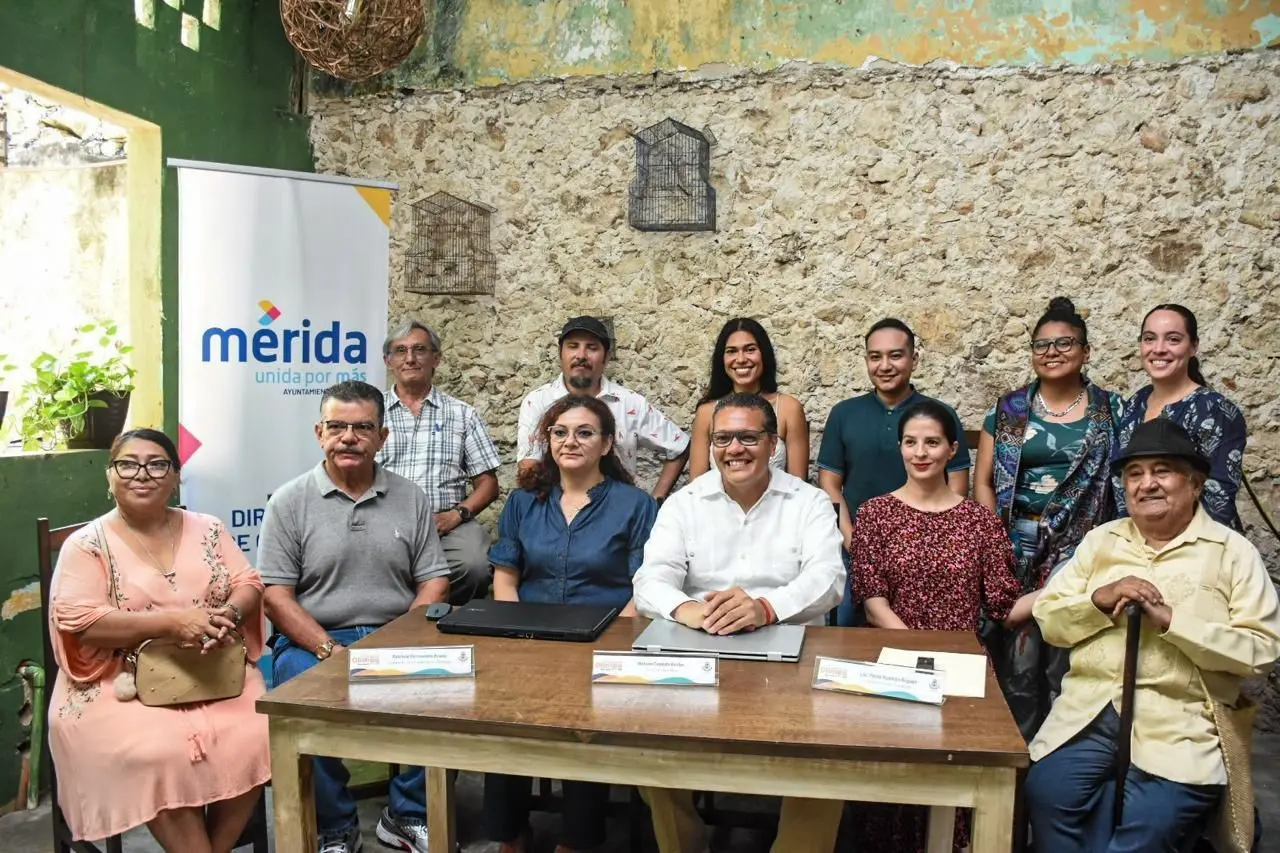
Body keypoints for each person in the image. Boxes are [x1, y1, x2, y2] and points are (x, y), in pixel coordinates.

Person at [1024, 418, 1280, 851]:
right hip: (1091, 710)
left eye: (1162, 470)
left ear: (1195, 483)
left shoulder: (1232, 552)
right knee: (1048, 794)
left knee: (1152, 825)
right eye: (1134, 475)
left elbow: (1262, 651)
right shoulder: (1099, 542)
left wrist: (1173, 622)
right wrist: (1099, 600)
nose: (1147, 484)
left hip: (1181, 719)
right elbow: (1050, 619)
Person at [633, 392, 845, 853]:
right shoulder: (684, 504)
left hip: (791, 656)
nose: (735, 449)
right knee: (646, 751)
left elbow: (829, 579)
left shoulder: (808, 502)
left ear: (773, 444)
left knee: (829, 762)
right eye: (723, 438)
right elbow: (649, 579)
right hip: (697, 648)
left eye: (748, 437)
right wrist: (690, 611)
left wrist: (765, 608)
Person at [47, 428, 268, 852]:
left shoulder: (208, 528)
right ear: (109, 476)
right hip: (115, 683)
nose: (141, 474)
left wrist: (230, 613)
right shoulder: (87, 545)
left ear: (175, 476)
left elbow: (248, 581)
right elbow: (81, 622)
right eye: (127, 464)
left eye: (157, 464)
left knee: (260, 732)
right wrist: (172, 623)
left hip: (210, 672)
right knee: (157, 751)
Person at [260, 380, 450, 853]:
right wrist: (328, 649)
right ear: (318, 432)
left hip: (395, 633)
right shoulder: (289, 501)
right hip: (316, 639)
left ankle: (407, 816)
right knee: (302, 695)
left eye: (362, 427)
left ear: (382, 437)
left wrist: (401, 640)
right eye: (337, 426)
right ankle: (335, 827)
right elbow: (276, 597)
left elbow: (433, 581)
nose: (349, 437)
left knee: (445, 691)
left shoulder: (411, 496)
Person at [848, 401, 1034, 852]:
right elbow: (873, 602)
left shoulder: (979, 521)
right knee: (890, 789)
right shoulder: (875, 514)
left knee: (953, 787)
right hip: (894, 668)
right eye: (911, 442)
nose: (920, 452)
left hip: (962, 676)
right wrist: (918, 659)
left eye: (932, 442)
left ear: (952, 449)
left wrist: (1068, 588)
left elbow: (1004, 605)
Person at [484, 395, 657, 853]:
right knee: (501, 712)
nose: (570, 441)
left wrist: (608, 643)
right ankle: (510, 833)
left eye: (584, 433)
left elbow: (645, 587)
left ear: (606, 444)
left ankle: (578, 840)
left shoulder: (635, 505)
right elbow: (506, 577)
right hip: (528, 640)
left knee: (589, 717)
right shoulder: (523, 502)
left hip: (605, 642)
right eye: (560, 432)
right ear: (547, 440)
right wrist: (519, 636)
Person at [973, 296, 1123, 741]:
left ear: (1086, 351)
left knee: (1063, 661)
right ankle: (1013, 763)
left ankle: (1059, 757)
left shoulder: (1111, 411)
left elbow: (1120, 488)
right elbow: (982, 481)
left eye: (1064, 343)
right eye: (1042, 345)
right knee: (1015, 667)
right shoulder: (1010, 409)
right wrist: (992, 541)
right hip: (1011, 549)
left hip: (1079, 553)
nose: (1052, 352)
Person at [817, 317, 971, 626]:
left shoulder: (937, 414)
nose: (885, 365)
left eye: (895, 355)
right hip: (856, 546)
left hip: (926, 548)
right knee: (844, 622)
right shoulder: (844, 414)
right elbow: (830, 486)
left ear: (914, 359)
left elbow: (957, 485)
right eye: (875, 357)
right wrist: (855, 542)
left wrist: (926, 539)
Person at [376, 318, 502, 602]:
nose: (410, 359)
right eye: (400, 351)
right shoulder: (372, 415)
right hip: (383, 520)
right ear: (388, 361)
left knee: (474, 566)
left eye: (419, 350)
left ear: (436, 359)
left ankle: (447, 627)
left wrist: (457, 515)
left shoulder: (462, 414)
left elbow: (488, 485)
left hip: (448, 523)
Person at [516, 316, 689, 499]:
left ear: (606, 357)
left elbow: (679, 446)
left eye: (592, 348)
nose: (581, 355)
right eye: (573, 346)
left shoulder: (629, 403)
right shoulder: (538, 401)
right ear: (561, 354)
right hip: (554, 514)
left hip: (619, 515)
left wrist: (655, 501)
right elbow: (529, 469)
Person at [1116, 303, 1247, 530]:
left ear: (1193, 347)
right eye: (1149, 338)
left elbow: (1218, 501)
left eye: (1173, 339)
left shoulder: (1215, 410)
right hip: (1137, 545)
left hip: (1199, 546)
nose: (1158, 348)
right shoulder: (1133, 405)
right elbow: (1121, 485)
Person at [688, 317, 809, 480]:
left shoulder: (789, 409)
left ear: (764, 354)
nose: (741, 359)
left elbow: (798, 483)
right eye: (731, 351)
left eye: (750, 349)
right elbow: (696, 485)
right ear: (721, 359)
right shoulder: (706, 412)